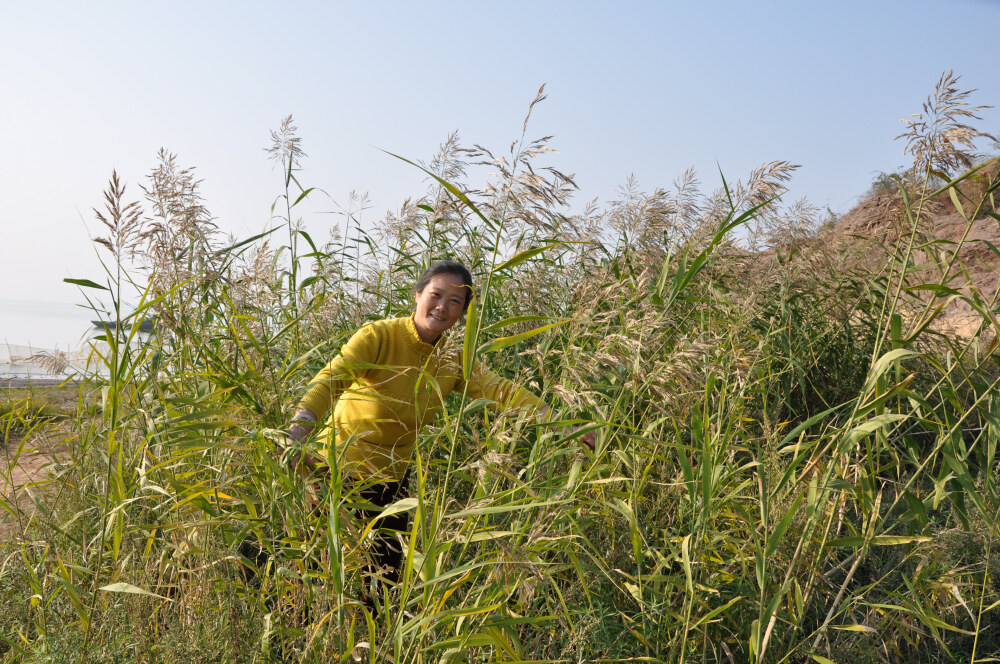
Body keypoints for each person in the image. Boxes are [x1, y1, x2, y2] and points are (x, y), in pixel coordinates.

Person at [284, 260, 593, 610]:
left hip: (391, 483)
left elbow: (501, 390)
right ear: (418, 295)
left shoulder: (451, 360)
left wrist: (562, 423)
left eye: (456, 301)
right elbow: (332, 378)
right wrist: (301, 426)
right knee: (317, 574)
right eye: (436, 294)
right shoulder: (380, 336)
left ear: (464, 312)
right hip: (333, 472)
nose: (443, 306)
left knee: (383, 583)